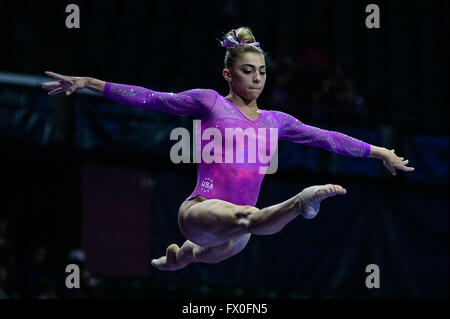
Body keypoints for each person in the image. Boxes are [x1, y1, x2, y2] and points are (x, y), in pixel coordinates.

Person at [42, 27, 414, 271]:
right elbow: (149, 98)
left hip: (230, 239)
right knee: (248, 218)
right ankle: (303, 202)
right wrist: (89, 82)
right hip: (200, 210)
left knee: (220, 244)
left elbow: (327, 137)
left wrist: (379, 151)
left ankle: (176, 260)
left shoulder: (276, 121)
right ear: (228, 75)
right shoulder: (209, 104)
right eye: (248, 71)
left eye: (262, 71)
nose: (257, 79)